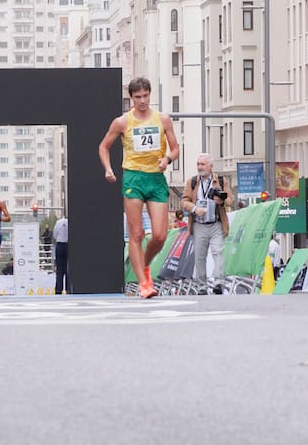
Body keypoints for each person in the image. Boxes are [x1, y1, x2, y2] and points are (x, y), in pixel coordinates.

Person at [98, 76, 180, 300]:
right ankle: (144, 284)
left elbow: (175, 149)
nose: (142, 101)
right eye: (137, 97)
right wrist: (108, 169)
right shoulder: (122, 122)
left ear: (150, 95)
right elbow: (104, 146)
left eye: (145, 96)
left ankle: (143, 265)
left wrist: (167, 160)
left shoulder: (163, 119)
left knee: (161, 235)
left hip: (155, 178)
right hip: (133, 177)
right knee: (136, 233)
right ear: (131, 98)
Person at [180, 152, 232, 295]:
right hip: (199, 224)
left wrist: (221, 201)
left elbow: (230, 200)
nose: (199, 167)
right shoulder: (192, 182)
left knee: (218, 252)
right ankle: (201, 286)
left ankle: (218, 283)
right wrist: (196, 209)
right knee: (200, 256)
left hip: (216, 223)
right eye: (198, 164)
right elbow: (183, 201)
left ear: (211, 166)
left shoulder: (221, 180)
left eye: (202, 164)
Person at [53, 214, 69, 295]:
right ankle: (68, 288)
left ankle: (58, 289)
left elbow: (54, 234)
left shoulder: (58, 222)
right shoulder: (69, 222)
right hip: (67, 245)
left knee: (59, 269)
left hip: (59, 245)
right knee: (67, 269)